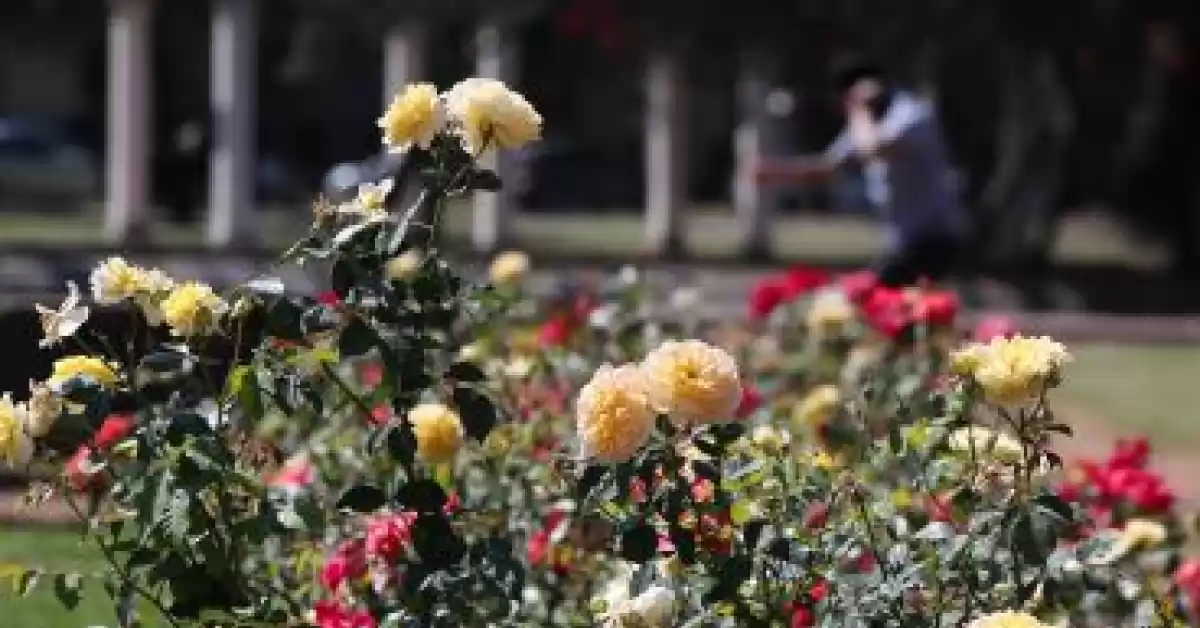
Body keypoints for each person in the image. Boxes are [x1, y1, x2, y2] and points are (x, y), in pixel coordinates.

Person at [755, 61, 968, 286]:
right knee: (886, 301)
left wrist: (860, 108)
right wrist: (775, 172)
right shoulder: (867, 121)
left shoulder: (912, 114)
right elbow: (828, 167)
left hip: (933, 235)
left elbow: (873, 150)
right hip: (902, 238)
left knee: (874, 295)